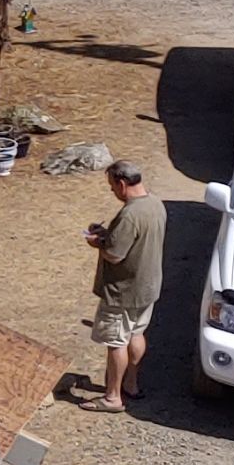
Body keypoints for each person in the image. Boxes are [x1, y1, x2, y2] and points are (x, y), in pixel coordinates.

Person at [82, 160, 164, 412]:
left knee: (117, 342)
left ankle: (112, 397)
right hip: (147, 286)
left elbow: (115, 254)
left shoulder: (130, 214)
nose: (112, 191)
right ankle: (131, 384)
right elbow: (134, 242)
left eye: (112, 186)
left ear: (122, 183)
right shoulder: (156, 204)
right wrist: (110, 234)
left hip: (123, 291)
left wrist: (97, 241)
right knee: (136, 334)